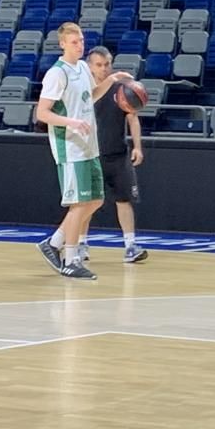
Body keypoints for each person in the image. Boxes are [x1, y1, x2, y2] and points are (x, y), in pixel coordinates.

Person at [34, 23, 131, 280]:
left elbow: (92, 95)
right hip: (70, 147)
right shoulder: (57, 74)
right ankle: (71, 258)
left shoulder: (82, 69)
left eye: (81, 40)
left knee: (96, 200)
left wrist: (111, 79)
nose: (80, 45)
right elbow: (42, 113)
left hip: (89, 146)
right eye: (74, 41)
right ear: (62, 44)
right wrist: (72, 122)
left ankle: (53, 243)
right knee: (79, 205)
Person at [78, 46, 148, 263]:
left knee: (124, 200)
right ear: (90, 66)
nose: (104, 69)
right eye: (99, 65)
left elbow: (132, 118)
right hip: (90, 155)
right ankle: (80, 244)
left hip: (117, 154)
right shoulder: (84, 90)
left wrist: (137, 146)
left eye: (107, 64)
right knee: (85, 203)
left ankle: (130, 246)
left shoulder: (121, 89)